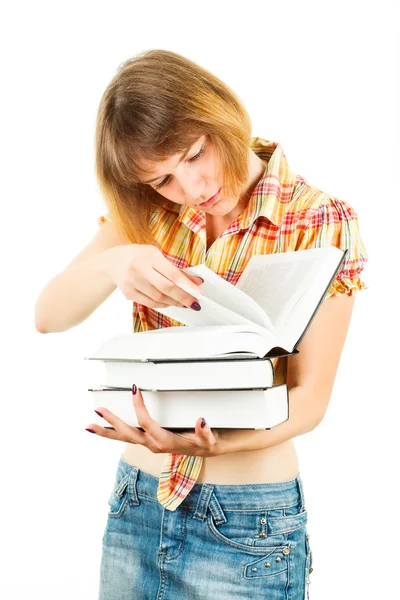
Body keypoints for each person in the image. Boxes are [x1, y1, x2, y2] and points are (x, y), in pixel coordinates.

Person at [35, 49, 368, 600]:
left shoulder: (320, 219)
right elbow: (48, 316)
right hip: (138, 504)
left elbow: (310, 400)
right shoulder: (145, 215)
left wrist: (215, 447)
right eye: (163, 179)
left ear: (217, 117)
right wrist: (111, 261)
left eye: (193, 155)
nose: (189, 188)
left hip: (248, 525)